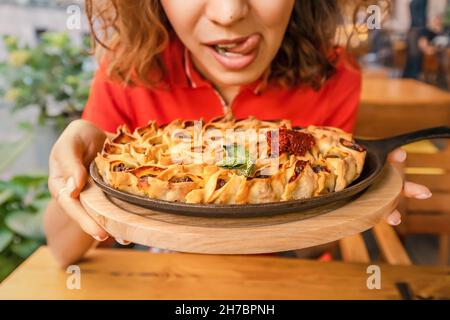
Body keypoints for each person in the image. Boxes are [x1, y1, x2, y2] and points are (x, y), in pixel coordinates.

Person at [45, 0, 432, 266]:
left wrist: (361, 202)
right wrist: (83, 174)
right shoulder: (127, 71)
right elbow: (62, 252)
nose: (229, 13)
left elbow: (315, 241)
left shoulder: (333, 75)